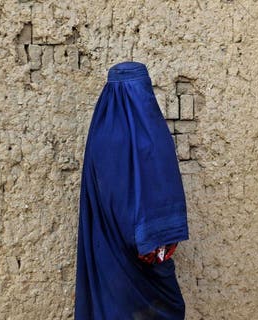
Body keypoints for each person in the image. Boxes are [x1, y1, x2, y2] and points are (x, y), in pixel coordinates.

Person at [74, 61, 190, 320]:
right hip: (143, 252)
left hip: (108, 254)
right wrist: (148, 238)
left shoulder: (101, 134)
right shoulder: (152, 132)